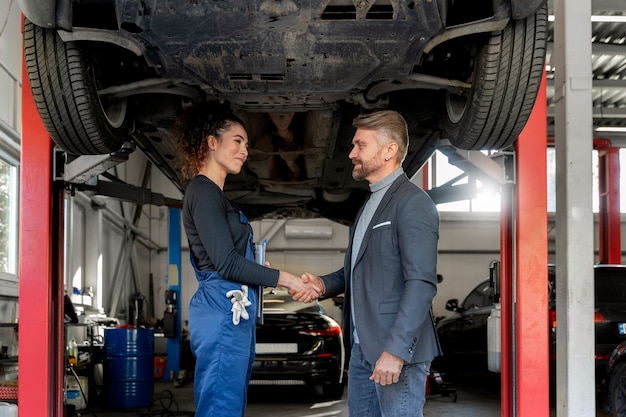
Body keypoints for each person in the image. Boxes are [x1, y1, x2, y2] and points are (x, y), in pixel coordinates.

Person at [176, 102, 321, 417]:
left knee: (230, 400)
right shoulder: (203, 191)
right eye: (237, 141)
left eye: (246, 144)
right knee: (220, 405)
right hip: (221, 308)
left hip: (232, 310)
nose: (245, 150)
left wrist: (258, 271)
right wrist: (288, 279)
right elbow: (226, 264)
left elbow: (228, 259)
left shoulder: (214, 194)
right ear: (211, 142)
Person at [298, 110, 442, 417]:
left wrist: (396, 351)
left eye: (360, 145)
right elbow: (361, 271)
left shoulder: (412, 202)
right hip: (363, 349)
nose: (351, 154)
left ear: (390, 150)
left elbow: (421, 283)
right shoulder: (370, 204)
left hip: (393, 350)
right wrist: (323, 284)